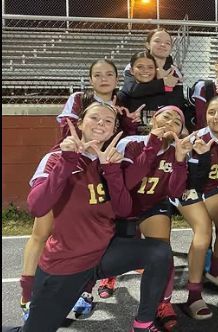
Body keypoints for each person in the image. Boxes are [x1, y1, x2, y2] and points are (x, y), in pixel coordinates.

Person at [18, 102, 171, 332]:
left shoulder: (110, 161)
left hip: (103, 254)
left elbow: (123, 210)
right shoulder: (56, 158)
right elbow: (37, 206)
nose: (101, 123)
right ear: (80, 123)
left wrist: (112, 172)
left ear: (113, 130)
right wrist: (67, 162)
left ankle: (143, 324)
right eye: (94, 118)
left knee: (159, 252)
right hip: (67, 263)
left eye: (108, 120)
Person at [18, 59, 140, 321]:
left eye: (109, 74)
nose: (103, 78)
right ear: (90, 79)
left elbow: (120, 137)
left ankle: (84, 292)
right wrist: (69, 157)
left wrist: (128, 125)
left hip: (97, 167)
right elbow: (69, 133)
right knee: (43, 232)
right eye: (97, 74)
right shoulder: (79, 98)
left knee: (91, 231)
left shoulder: (122, 103)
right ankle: (29, 296)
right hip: (69, 164)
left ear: (118, 79)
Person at [96, 105, 191, 331]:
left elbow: (176, 192)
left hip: (152, 204)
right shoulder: (131, 142)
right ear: (153, 119)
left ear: (181, 129)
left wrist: (179, 160)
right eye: (165, 117)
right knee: (114, 249)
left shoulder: (179, 149)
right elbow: (127, 183)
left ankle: (163, 303)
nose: (169, 123)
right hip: (123, 205)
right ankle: (107, 277)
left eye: (176, 122)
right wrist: (152, 146)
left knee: (162, 251)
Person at [172, 96, 218, 320]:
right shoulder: (197, 138)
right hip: (186, 189)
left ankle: (215, 270)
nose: (217, 117)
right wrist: (203, 156)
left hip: (212, 188)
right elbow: (193, 182)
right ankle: (193, 295)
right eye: (212, 112)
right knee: (203, 234)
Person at [119, 28, 186, 130]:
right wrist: (162, 83)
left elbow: (177, 103)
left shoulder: (174, 71)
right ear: (147, 45)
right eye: (157, 41)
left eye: (167, 43)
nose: (162, 45)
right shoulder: (134, 65)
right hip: (135, 119)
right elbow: (132, 90)